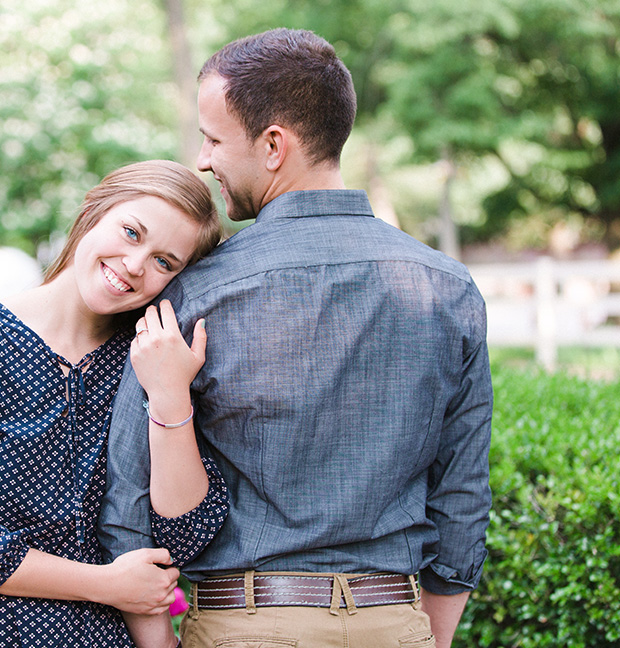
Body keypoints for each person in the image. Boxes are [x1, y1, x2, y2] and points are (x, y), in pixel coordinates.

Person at [99, 28, 493, 648]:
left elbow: (129, 493)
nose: (203, 160)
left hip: (247, 625)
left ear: (273, 145)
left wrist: (155, 640)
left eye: (213, 138)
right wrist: (424, 637)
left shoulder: (197, 294)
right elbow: (462, 496)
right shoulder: (449, 287)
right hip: (397, 624)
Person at [0, 160, 228, 647]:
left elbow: (183, 537)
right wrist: (106, 585)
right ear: (92, 212)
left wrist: (168, 395)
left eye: (165, 261)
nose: (136, 264)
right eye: (131, 232)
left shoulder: (148, 360)